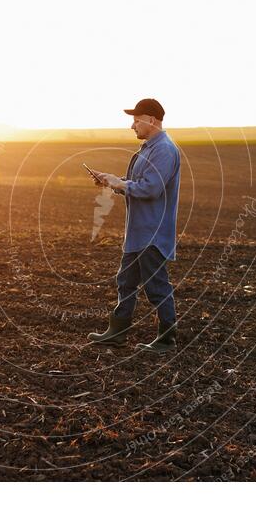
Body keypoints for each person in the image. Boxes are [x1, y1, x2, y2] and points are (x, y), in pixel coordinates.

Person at [86, 98, 181, 354]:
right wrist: (112, 182)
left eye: (136, 119)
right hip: (139, 231)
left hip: (152, 231)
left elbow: (151, 188)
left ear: (151, 120)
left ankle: (167, 339)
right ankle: (117, 332)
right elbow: (138, 183)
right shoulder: (150, 148)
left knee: (156, 285)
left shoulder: (163, 150)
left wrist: (119, 183)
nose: (132, 126)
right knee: (126, 281)